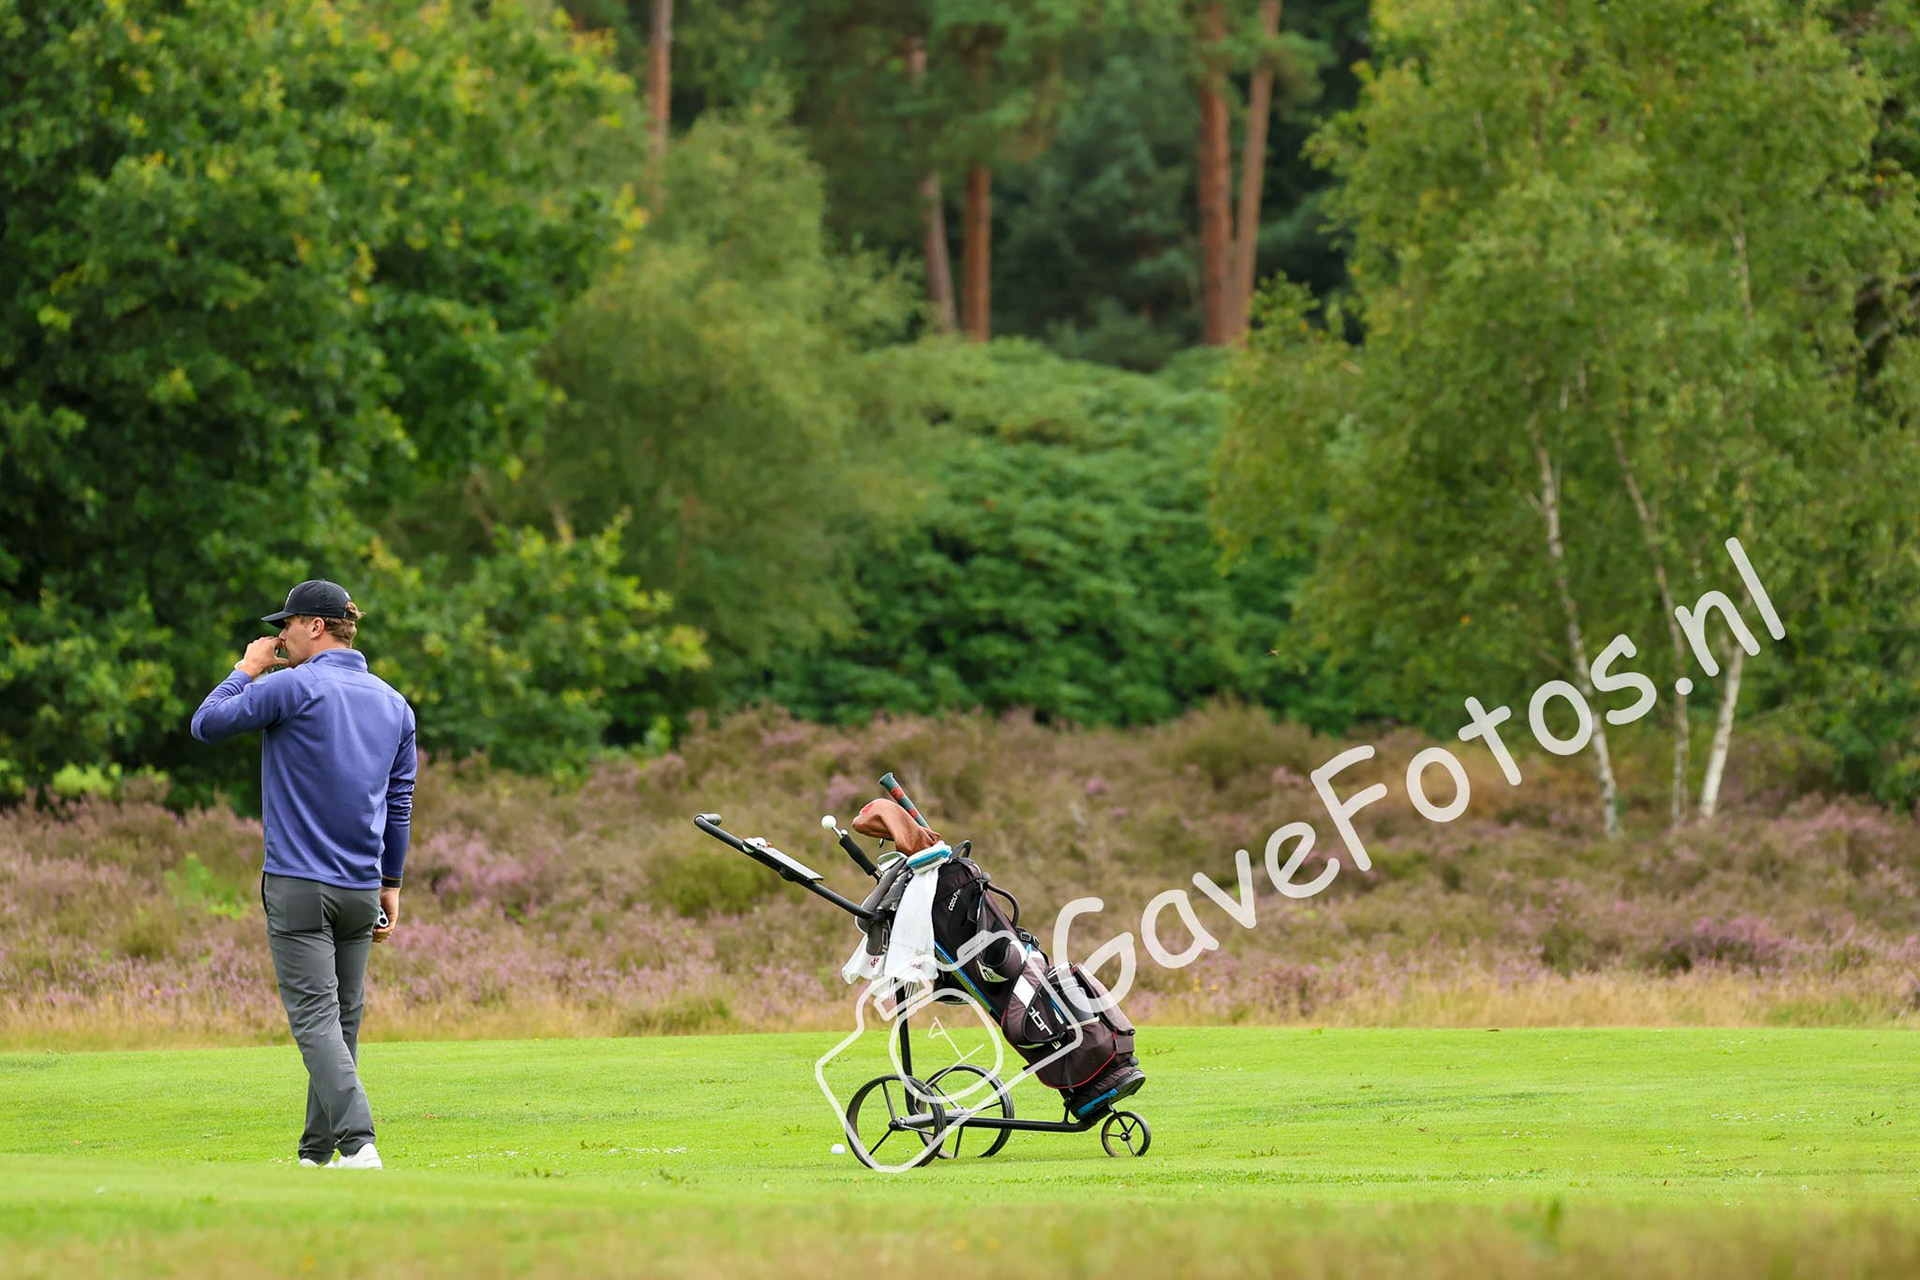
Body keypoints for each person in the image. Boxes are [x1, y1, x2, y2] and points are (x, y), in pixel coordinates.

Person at [191, 579, 416, 1170]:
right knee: (342, 1021)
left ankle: (358, 1142)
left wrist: (246, 669)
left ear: (315, 626)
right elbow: (399, 804)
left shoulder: (290, 687)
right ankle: (316, 1156)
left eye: (286, 624)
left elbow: (206, 724)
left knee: (316, 1019)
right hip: (362, 887)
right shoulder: (394, 704)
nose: (280, 635)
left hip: (297, 883)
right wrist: (391, 882)